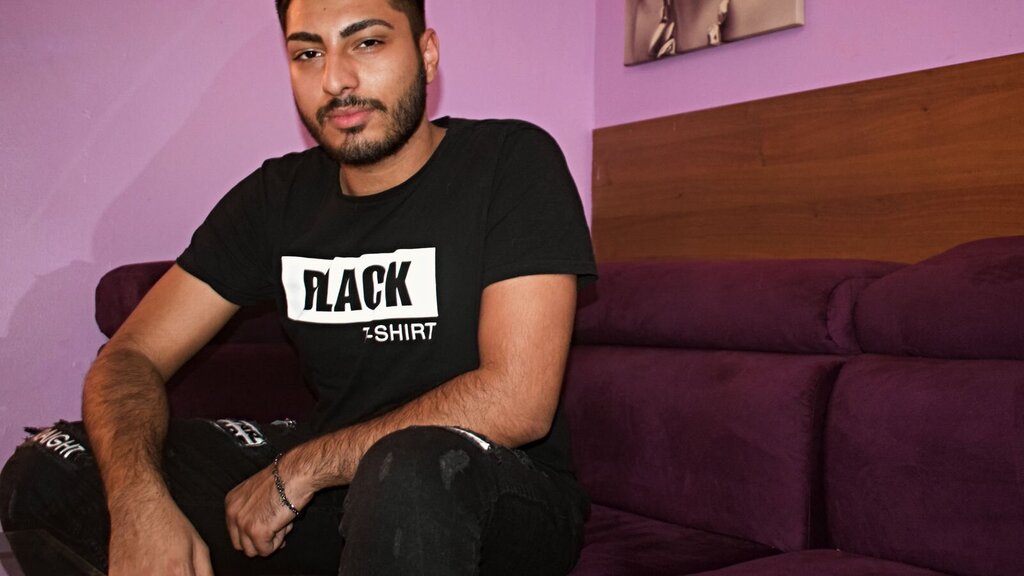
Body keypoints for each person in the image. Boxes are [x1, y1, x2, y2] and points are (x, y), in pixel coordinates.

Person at [0, 0, 596, 574]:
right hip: (336, 489)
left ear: (426, 53)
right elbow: (130, 356)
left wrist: (302, 468)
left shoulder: (509, 161)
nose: (335, 80)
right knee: (52, 466)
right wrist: (138, 505)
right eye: (308, 54)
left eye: (368, 42)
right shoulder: (277, 200)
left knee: (409, 468)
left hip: (495, 489)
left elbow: (517, 398)